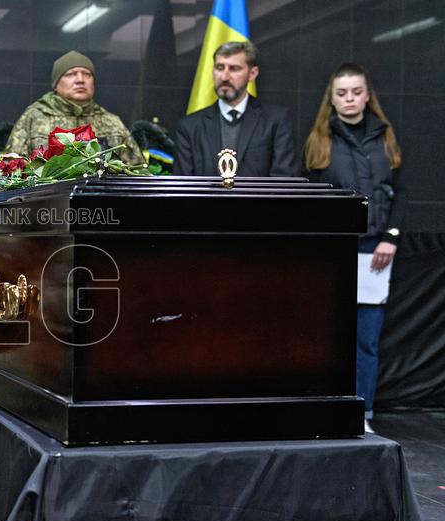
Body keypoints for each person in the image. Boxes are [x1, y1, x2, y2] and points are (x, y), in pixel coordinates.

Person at [304, 63, 406, 432]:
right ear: (331, 99)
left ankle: (363, 415)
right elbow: (312, 199)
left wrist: (391, 237)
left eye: (356, 91)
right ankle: (327, 408)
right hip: (334, 256)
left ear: (367, 95)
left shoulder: (385, 137)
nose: (349, 99)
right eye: (341, 93)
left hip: (376, 252)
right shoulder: (320, 139)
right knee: (328, 338)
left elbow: (401, 192)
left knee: (366, 342)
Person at [173, 41, 297, 177]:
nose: (224, 77)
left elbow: (283, 183)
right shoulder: (189, 127)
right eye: (219, 68)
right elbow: (184, 189)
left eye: (234, 68)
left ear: (252, 73)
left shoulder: (275, 121)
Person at [5, 50, 145, 165]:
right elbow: (13, 168)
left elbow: (139, 173)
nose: (80, 80)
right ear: (56, 84)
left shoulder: (112, 123)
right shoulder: (34, 118)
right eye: (70, 74)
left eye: (87, 74)